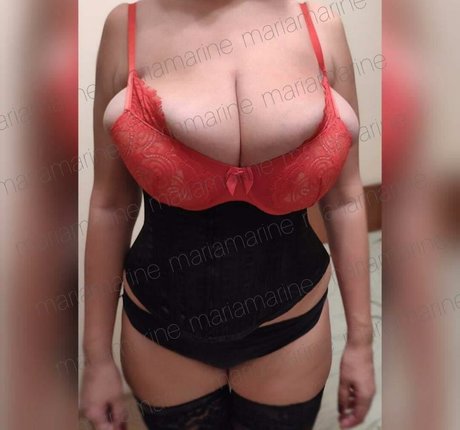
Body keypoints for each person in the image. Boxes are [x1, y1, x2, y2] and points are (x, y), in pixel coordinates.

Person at [81, 1, 375, 429]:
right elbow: (110, 204)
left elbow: (345, 199)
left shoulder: (322, 26)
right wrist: (95, 359)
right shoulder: (125, 27)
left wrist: (362, 344)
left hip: (293, 324)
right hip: (161, 331)